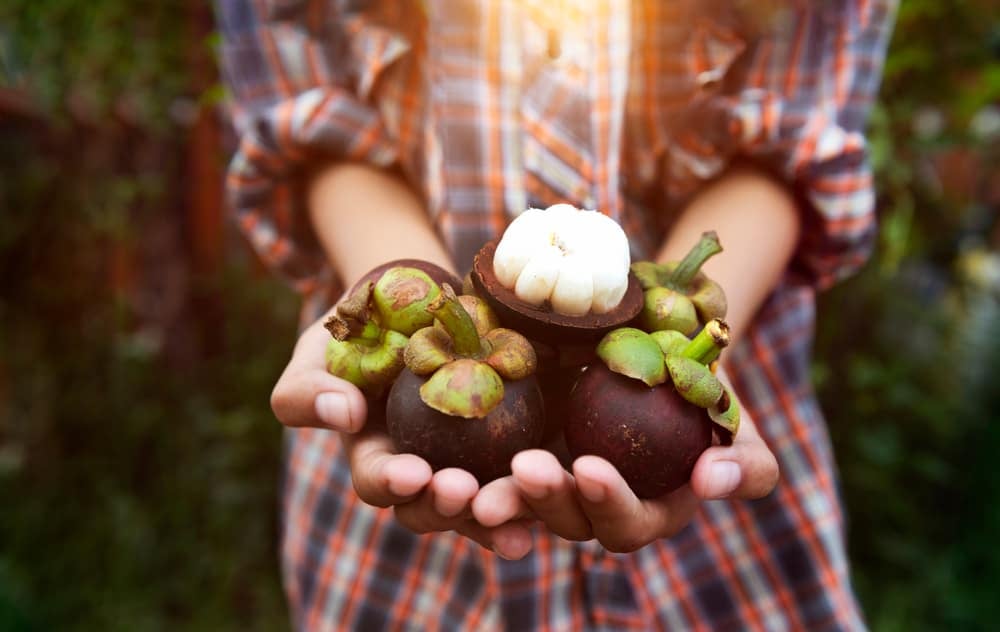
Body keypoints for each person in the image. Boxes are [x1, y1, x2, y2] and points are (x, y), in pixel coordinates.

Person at [217, 1, 895, 629]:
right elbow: (306, 109)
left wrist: (691, 343)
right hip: (398, 563)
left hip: (722, 547)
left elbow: (791, 141)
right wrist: (406, 292)